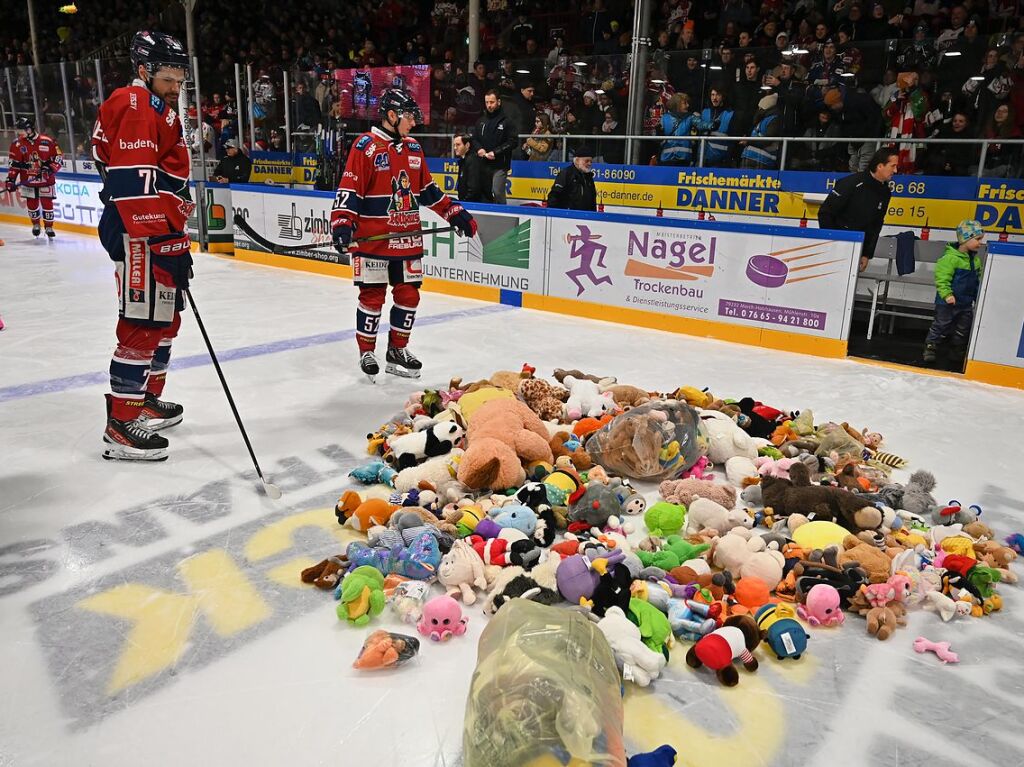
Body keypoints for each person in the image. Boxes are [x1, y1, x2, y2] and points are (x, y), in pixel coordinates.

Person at [91, 30, 193, 461]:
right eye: (168, 77)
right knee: (143, 321)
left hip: (154, 228)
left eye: (179, 77)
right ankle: (121, 425)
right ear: (143, 70)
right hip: (140, 230)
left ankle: (145, 399)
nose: (175, 86)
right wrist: (166, 238)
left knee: (164, 319)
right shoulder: (135, 105)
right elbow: (133, 186)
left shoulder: (152, 106)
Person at [330, 88, 477, 382]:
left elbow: (427, 191)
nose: (414, 121)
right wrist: (343, 224)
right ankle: (367, 351)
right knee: (372, 296)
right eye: (409, 116)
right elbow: (349, 190)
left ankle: (397, 350)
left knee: (409, 295)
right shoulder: (366, 146)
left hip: (407, 239)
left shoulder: (412, 148)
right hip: (373, 240)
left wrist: (454, 212)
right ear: (392, 116)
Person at [817, 147, 897, 272]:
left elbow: (876, 225)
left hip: (858, 247)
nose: (895, 170)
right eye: (893, 166)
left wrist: (866, 254)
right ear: (880, 166)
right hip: (836, 243)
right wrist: (831, 241)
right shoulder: (851, 183)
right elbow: (825, 213)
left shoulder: (885, 192)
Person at [923, 220, 984, 363]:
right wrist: (947, 294)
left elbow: (977, 281)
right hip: (947, 302)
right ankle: (931, 346)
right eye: (978, 239)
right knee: (941, 324)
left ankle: (957, 349)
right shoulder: (949, 258)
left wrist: (978, 296)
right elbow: (942, 279)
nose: (980, 243)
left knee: (963, 328)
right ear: (966, 238)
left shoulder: (975, 261)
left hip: (966, 302)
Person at [5, 116, 63, 238]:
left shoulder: (47, 141)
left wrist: (51, 168)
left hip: (45, 180)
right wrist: (10, 180)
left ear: (30, 129)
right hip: (28, 180)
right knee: (32, 204)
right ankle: (36, 224)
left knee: (47, 204)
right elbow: (14, 165)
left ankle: (49, 227)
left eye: (22, 130)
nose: (20, 133)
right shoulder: (17, 144)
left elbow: (59, 159)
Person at [471, 90, 517, 204]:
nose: (489, 105)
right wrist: (479, 149)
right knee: (484, 192)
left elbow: (513, 141)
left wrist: (496, 152)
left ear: (499, 102)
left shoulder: (507, 121)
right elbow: (474, 139)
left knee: (497, 191)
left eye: (492, 102)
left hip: (500, 164)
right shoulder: (481, 120)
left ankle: (503, 215)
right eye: (487, 102)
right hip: (483, 163)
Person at [546, 145, 597, 211]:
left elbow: (592, 201)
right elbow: (554, 197)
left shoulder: (589, 177)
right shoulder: (566, 174)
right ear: (577, 160)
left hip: (585, 218)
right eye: (586, 161)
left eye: (591, 161)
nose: (589, 164)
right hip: (568, 217)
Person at [453, 133, 489, 202]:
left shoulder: (473, 161)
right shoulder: (463, 160)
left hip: (477, 205)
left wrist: (465, 202)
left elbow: (474, 188)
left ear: (467, 145)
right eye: (454, 145)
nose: (455, 148)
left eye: (458, 145)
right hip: (467, 202)